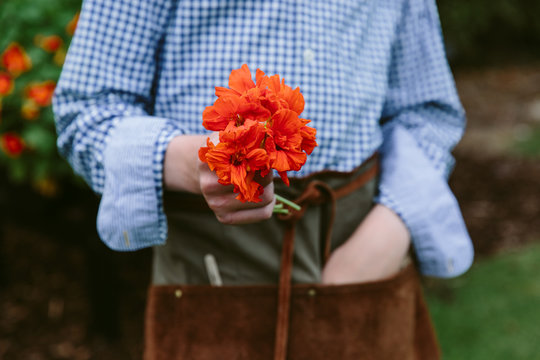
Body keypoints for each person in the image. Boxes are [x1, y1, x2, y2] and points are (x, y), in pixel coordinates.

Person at [53, 0, 474, 358]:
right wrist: (200, 163)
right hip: (211, 265)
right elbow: (87, 113)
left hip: (360, 249)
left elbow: (427, 112)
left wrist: (383, 237)